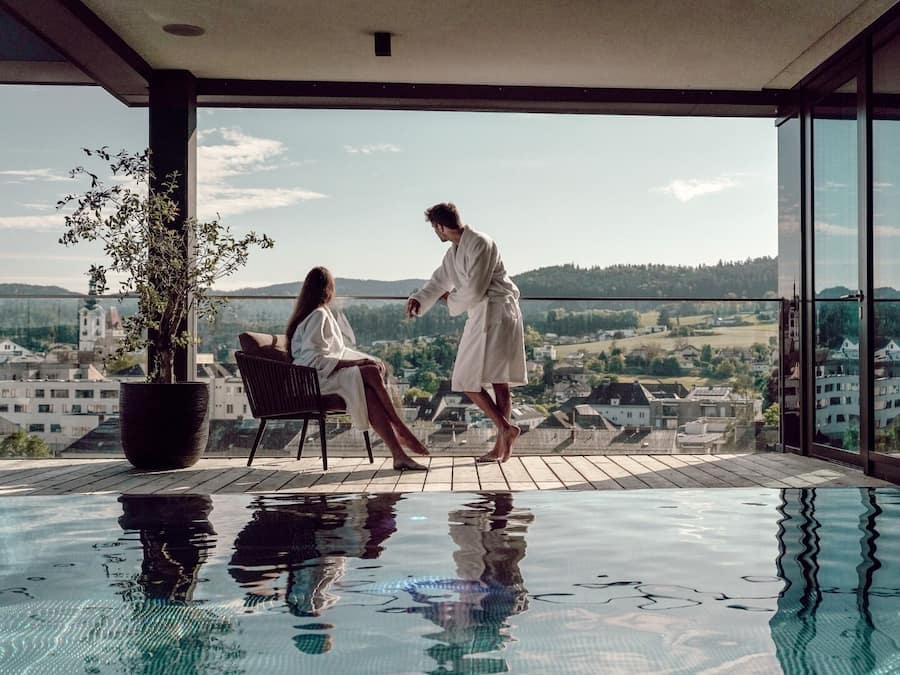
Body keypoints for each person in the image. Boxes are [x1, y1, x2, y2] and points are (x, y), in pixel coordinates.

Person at [406, 203, 526, 463]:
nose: (435, 234)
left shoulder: (481, 243)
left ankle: (502, 442)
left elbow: (475, 289)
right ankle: (505, 433)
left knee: (493, 380)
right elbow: (439, 280)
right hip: (482, 314)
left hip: (498, 313)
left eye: (434, 229)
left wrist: (450, 299)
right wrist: (419, 298)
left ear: (440, 227)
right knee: (470, 380)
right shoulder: (454, 252)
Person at [287, 266, 428, 471]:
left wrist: (368, 359)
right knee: (370, 371)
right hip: (313, 379)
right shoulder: (318, 315)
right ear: (328, 289)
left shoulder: (318, 313)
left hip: (321, 375)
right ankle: (401, 427)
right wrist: (360, 363)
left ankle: (399, 455)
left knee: (370, 390)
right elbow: (314, 359)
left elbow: (339, 351)